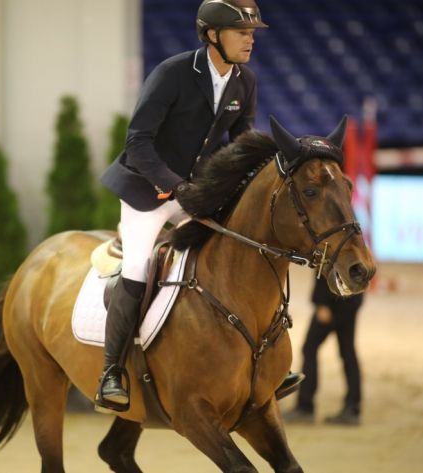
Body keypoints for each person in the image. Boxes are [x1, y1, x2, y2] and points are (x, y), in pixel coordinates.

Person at [95, 0, 301, 412]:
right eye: (241, 33)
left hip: (196, 191)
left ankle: (262, 362)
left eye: (252, 33)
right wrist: (174, 187)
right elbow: (138, 143)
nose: (250, 40)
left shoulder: (245, 82)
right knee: (137, 267)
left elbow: (241, 147)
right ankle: (111, 372)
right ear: (212, 36)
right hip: (146, 190)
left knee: (244, 254)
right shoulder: (173, 74)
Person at [283, 276, 365, 425]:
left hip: (334, 302)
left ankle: (305, 407)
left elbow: (328, 264)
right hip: (351, 299)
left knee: (310, 349)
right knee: (347, 352)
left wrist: (322, 303)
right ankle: (353, 408)